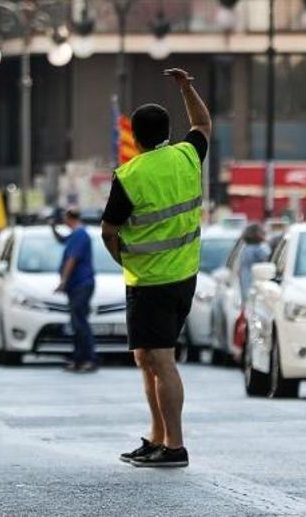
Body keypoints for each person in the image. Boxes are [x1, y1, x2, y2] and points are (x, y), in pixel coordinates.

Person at [101, 67, 210, 469]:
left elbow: (109, 232)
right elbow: (201, 123)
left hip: (150, 282)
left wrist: (123, 258)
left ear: (134, 136)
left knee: (160, 361)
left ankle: (175, 446)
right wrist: (186, 87)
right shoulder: (186, 155)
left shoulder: (130, 175)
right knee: (147, 358)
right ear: (166, 131)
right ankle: (157, 437)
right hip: (183, 277)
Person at [56, 208, 99, 373]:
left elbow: (72, 259)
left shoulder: (80, 235)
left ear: (69, 218)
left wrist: (63, 280)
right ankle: (79, 358)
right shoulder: (76, 234)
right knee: (76, 322)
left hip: (80, 284)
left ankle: (89, 358)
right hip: (76, 286)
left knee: (80, 323)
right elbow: (61, 239)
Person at [238, 223, 270, 301]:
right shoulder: (259, 250)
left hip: (247, 284)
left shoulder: (245, 249)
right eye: (261, 232)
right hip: (255, 286)